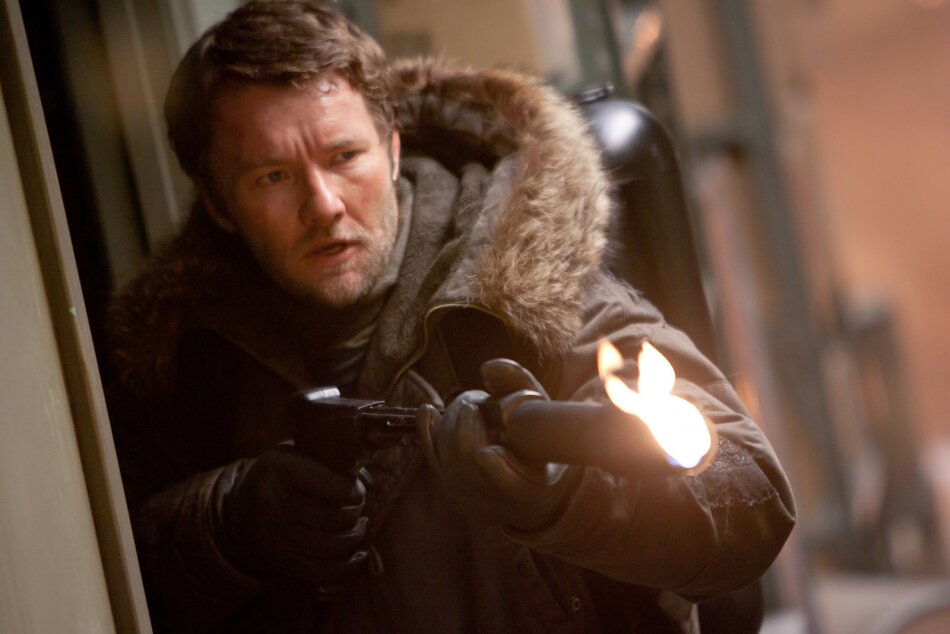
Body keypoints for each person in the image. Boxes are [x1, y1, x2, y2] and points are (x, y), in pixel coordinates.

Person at [106, 1, 795, 632]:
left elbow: (751, 498)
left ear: (392, 148)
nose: (323, 205)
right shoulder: (185, 361)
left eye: (344, 157)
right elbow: (108, 573)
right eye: (273, 177)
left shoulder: (524, 284)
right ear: (219, 205)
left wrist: (564, 498)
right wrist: (228, 526)